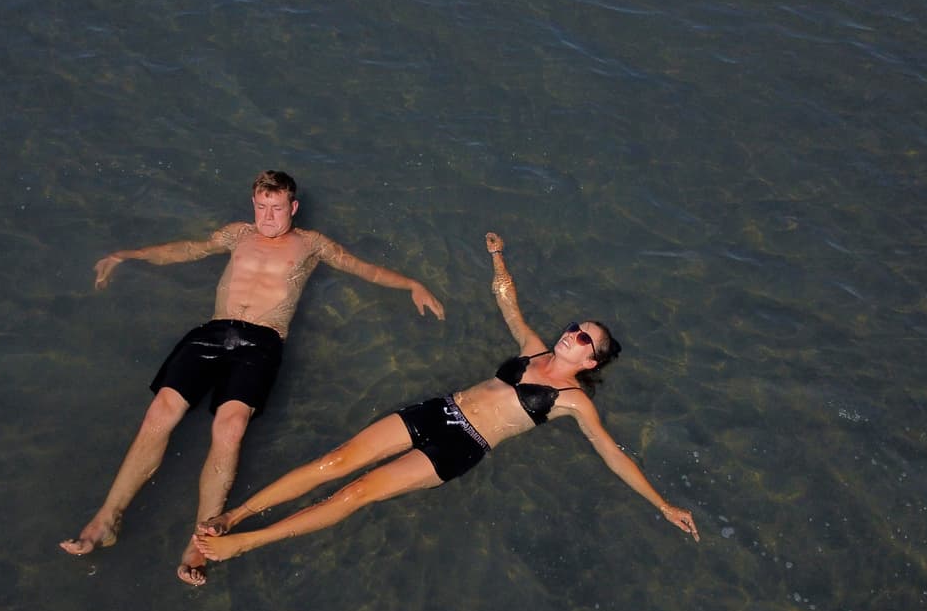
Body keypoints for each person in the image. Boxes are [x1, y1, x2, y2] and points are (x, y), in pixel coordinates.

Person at [192, 231, 699, 564]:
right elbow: (508, 303)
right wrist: (497, 255)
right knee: (335, 460)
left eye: (585, 339)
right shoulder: (532, 349)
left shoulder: (573, 399)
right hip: (440, 409)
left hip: (461, 446)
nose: (573, 335)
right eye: (574, 327)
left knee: (353, 493)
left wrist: (662, 504)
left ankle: (244, 543)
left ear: (591, 362)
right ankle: (233, 516)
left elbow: (612, 454)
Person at [59, 170, 446, 586]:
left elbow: (363, 269)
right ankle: (107, 519)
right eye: (261, 207)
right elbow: (187, 249)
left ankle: (201, 540)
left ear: (292, 208)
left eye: (276, 208)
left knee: (230, 426)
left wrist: (411, 285)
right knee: (161, 410)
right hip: (211, 332)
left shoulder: (311, 244)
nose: (267, 216)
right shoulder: (237, 234)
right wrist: (129, 255)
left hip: (261, 342)